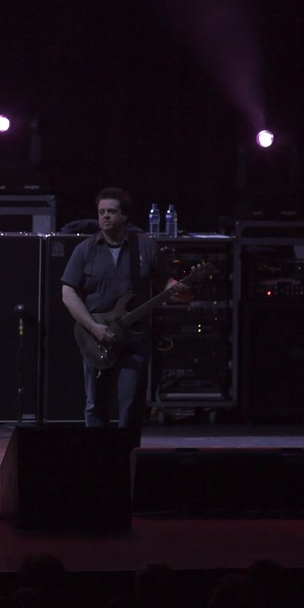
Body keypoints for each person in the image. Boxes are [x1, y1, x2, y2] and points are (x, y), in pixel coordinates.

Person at [59, 186, 181, 435]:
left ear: (125, 215)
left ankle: (127, 453)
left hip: (135, 338)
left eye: (111, 211)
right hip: (96, 337)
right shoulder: (85, 249)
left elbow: (165, 282)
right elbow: (68, 292)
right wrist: (94, 328)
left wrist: (176, 287)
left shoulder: (146, 247)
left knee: (131, 404)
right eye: (101, 212)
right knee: (96, 404)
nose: (105, 216)